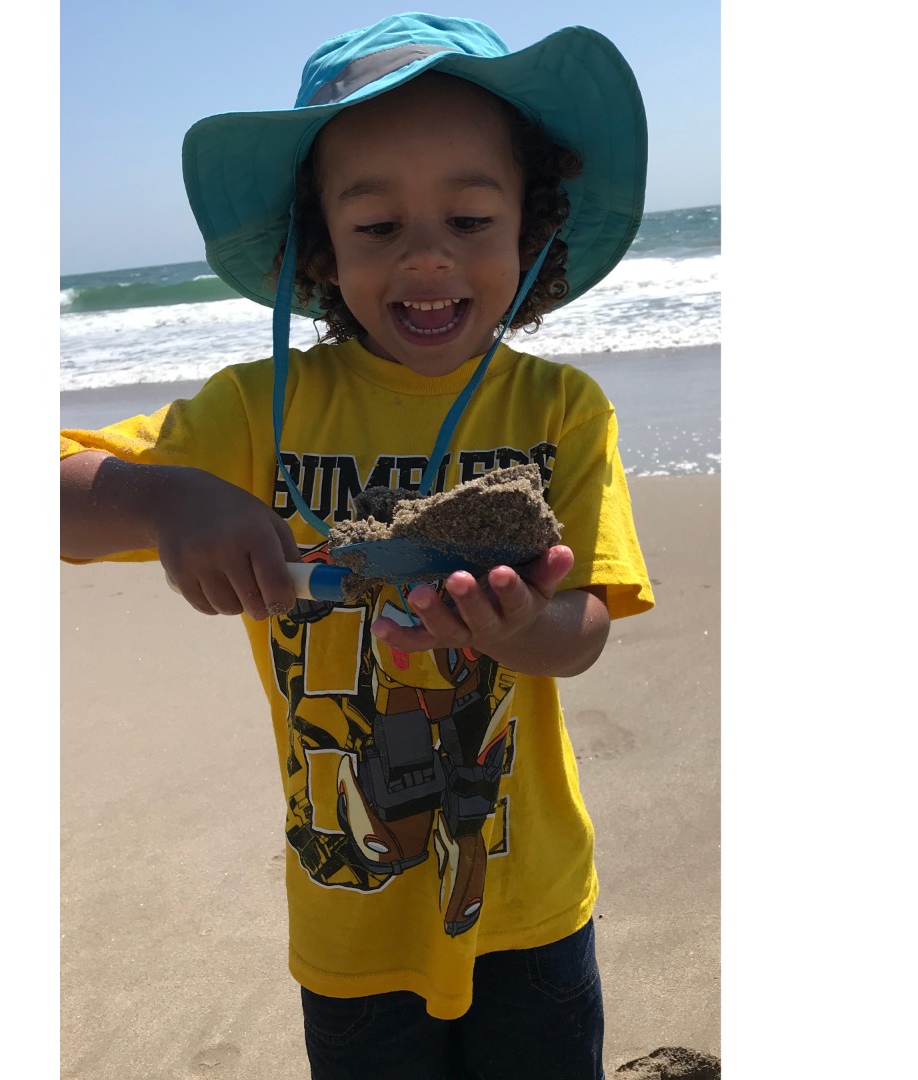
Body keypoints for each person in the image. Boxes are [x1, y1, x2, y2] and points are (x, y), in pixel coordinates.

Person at [61, 12, 654, 1079]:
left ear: (533, 228)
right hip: (350, 911)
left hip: (530, 903)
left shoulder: (563, 410)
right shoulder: (258, 414)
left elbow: (585, 631)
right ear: (318, 247)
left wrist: (518, 625)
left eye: (470, 217)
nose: (427, 253)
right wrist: (162, 498)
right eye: (377, 226)